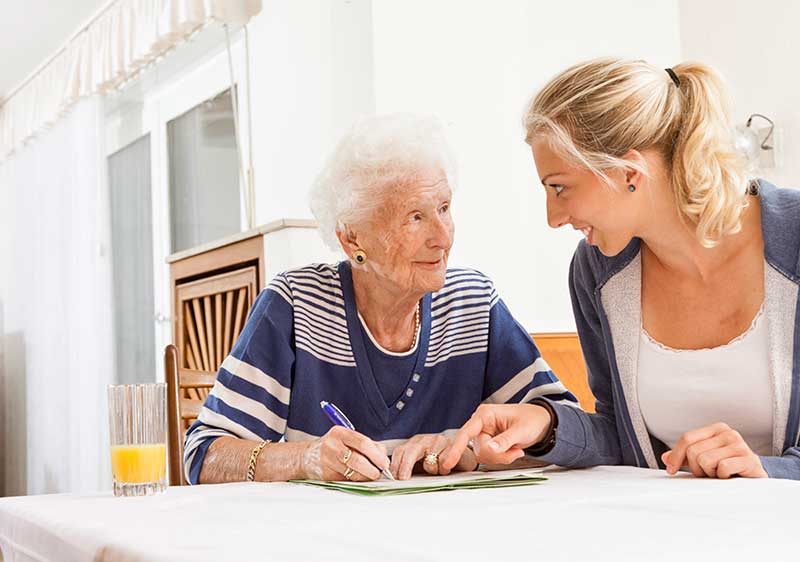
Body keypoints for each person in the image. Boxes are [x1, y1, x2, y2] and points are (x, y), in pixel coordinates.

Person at [442, 58, 800, 480]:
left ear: (629, 172)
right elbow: (621, 431)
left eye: (560, 188)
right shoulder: (598, 271)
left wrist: (767, 471)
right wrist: (547, 426)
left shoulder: (792, 240)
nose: (553, 217)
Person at [184, 113, 577, 484]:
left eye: (444, 207)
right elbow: (204, 454)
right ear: (352, 237)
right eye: (415, 217)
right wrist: (304, 458)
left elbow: (566, 431)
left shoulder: (473, 304)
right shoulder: (295, 306)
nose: (442, 237)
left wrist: (470, 450)